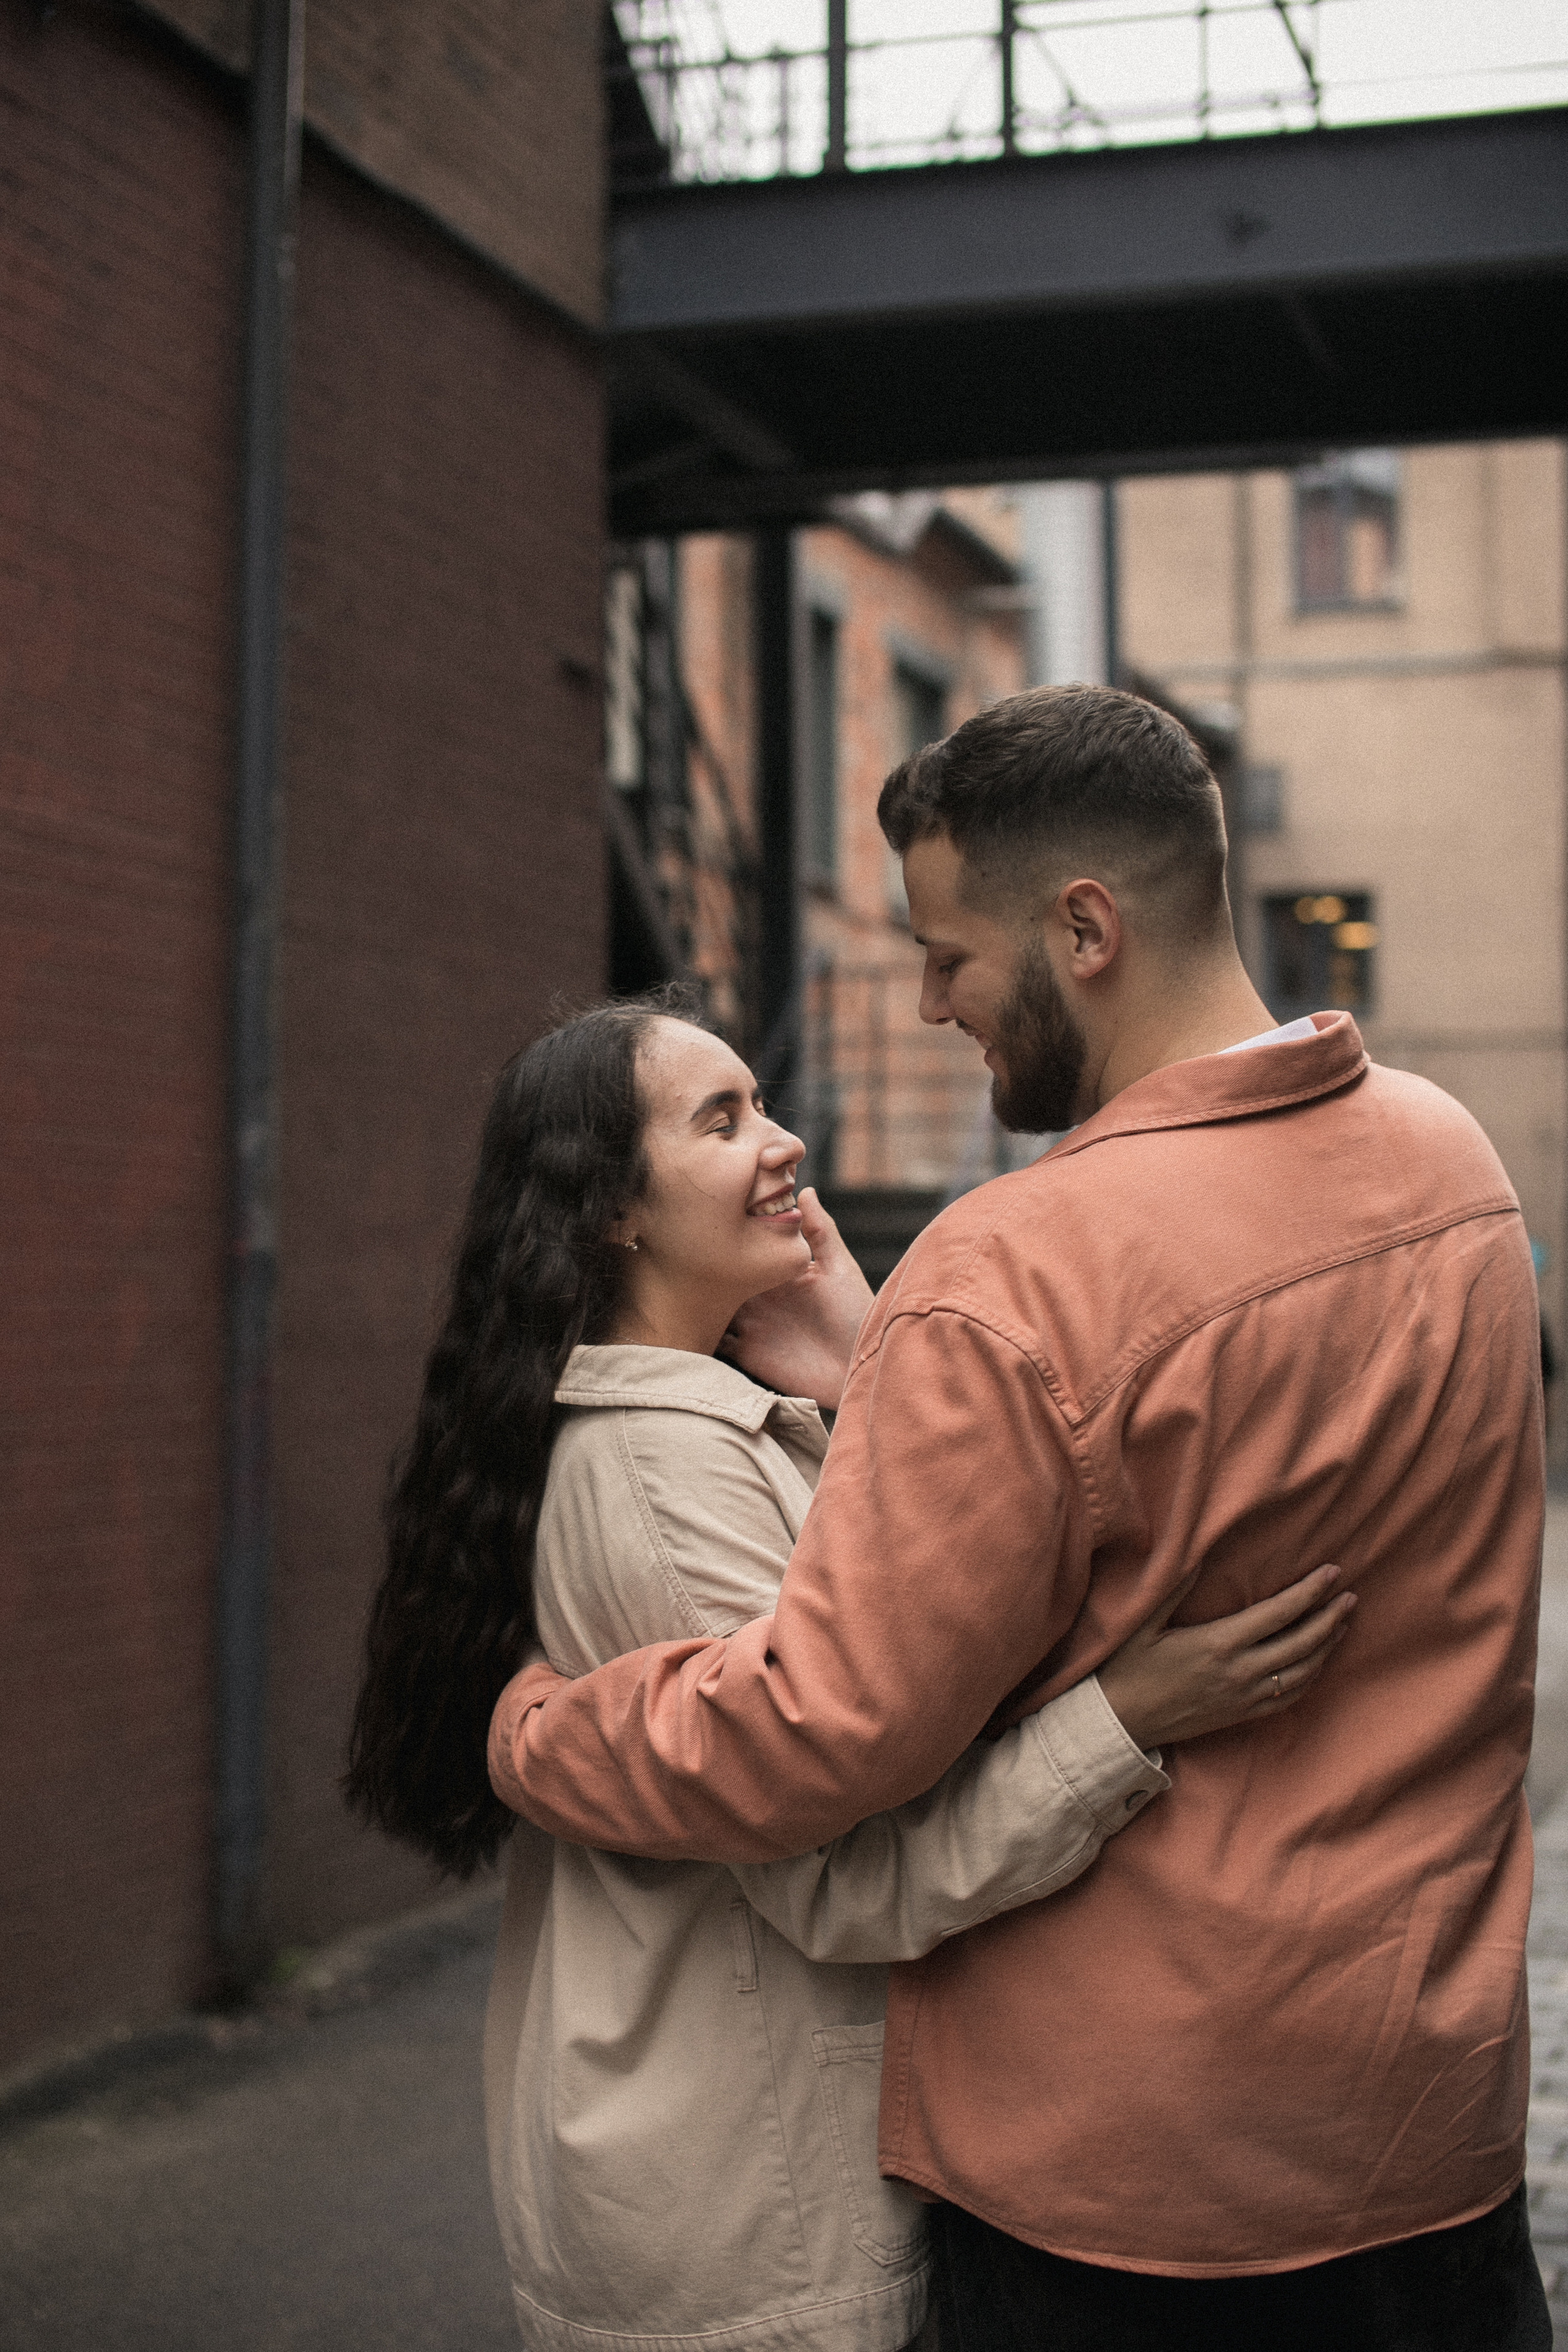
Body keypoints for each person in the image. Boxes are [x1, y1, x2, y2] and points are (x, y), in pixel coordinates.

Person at [489, 687, 1551, 2351]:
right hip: (1433, 2139)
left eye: (948, 954)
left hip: (1128, 2197)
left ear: (1086, 928)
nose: (926, 1004)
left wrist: (538, 1738)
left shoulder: (1016, 1271)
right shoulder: (1455, 1170)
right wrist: (885, 1373)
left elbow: (810, 1741)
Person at [345, 988, 1352, 2352]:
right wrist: (1128, 1717)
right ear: (614, 1212)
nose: (787, 1143)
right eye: (722, 1119)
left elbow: (905, 1676)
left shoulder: (722, 1430)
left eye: (763, 1103)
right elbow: (840, 1879)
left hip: (724, 2178)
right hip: (749, 2216)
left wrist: (861, 1366)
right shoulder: (666, 1467)